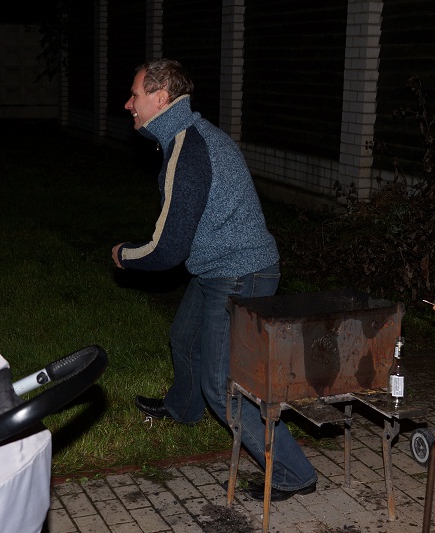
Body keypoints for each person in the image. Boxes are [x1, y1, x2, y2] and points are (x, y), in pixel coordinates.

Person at [112, 59, 317, 501]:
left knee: (222, 383)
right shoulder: (187, 136)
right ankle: (183, 409)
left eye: (135, 95)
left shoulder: (187, 149)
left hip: (240, 271)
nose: (128, 104)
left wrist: (125, 255)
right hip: (217, 265)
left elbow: (168, 248)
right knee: (184, 339)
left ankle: (292, 472)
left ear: (160, 98)